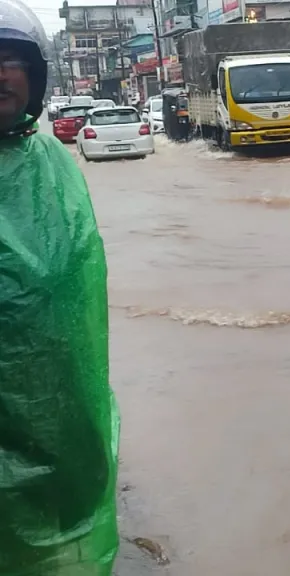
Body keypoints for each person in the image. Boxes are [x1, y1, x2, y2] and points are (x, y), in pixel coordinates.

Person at [0, 0, 120, 574]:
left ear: (35, 75)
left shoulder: (53, 163)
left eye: (10, 61)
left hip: (50, 390)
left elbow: (79, 289)